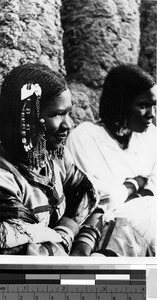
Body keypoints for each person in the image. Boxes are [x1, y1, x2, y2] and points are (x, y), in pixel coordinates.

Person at [0, 63, 101, 255]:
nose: (69, 124)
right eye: (57, 114)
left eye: (68, 113)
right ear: (27, 118)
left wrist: (77, 241)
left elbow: (87, 196)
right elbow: (30, 253)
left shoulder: (53, 156)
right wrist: (68, 230)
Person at [67, 64, 157, 256]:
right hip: (111, 232)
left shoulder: (150, 137)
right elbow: (102, 200)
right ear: (120, 104)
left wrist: (131, 187)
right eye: (142, 106)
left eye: (153, 106)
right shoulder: (85, 137)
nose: (152, 115)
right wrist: (138, 183)